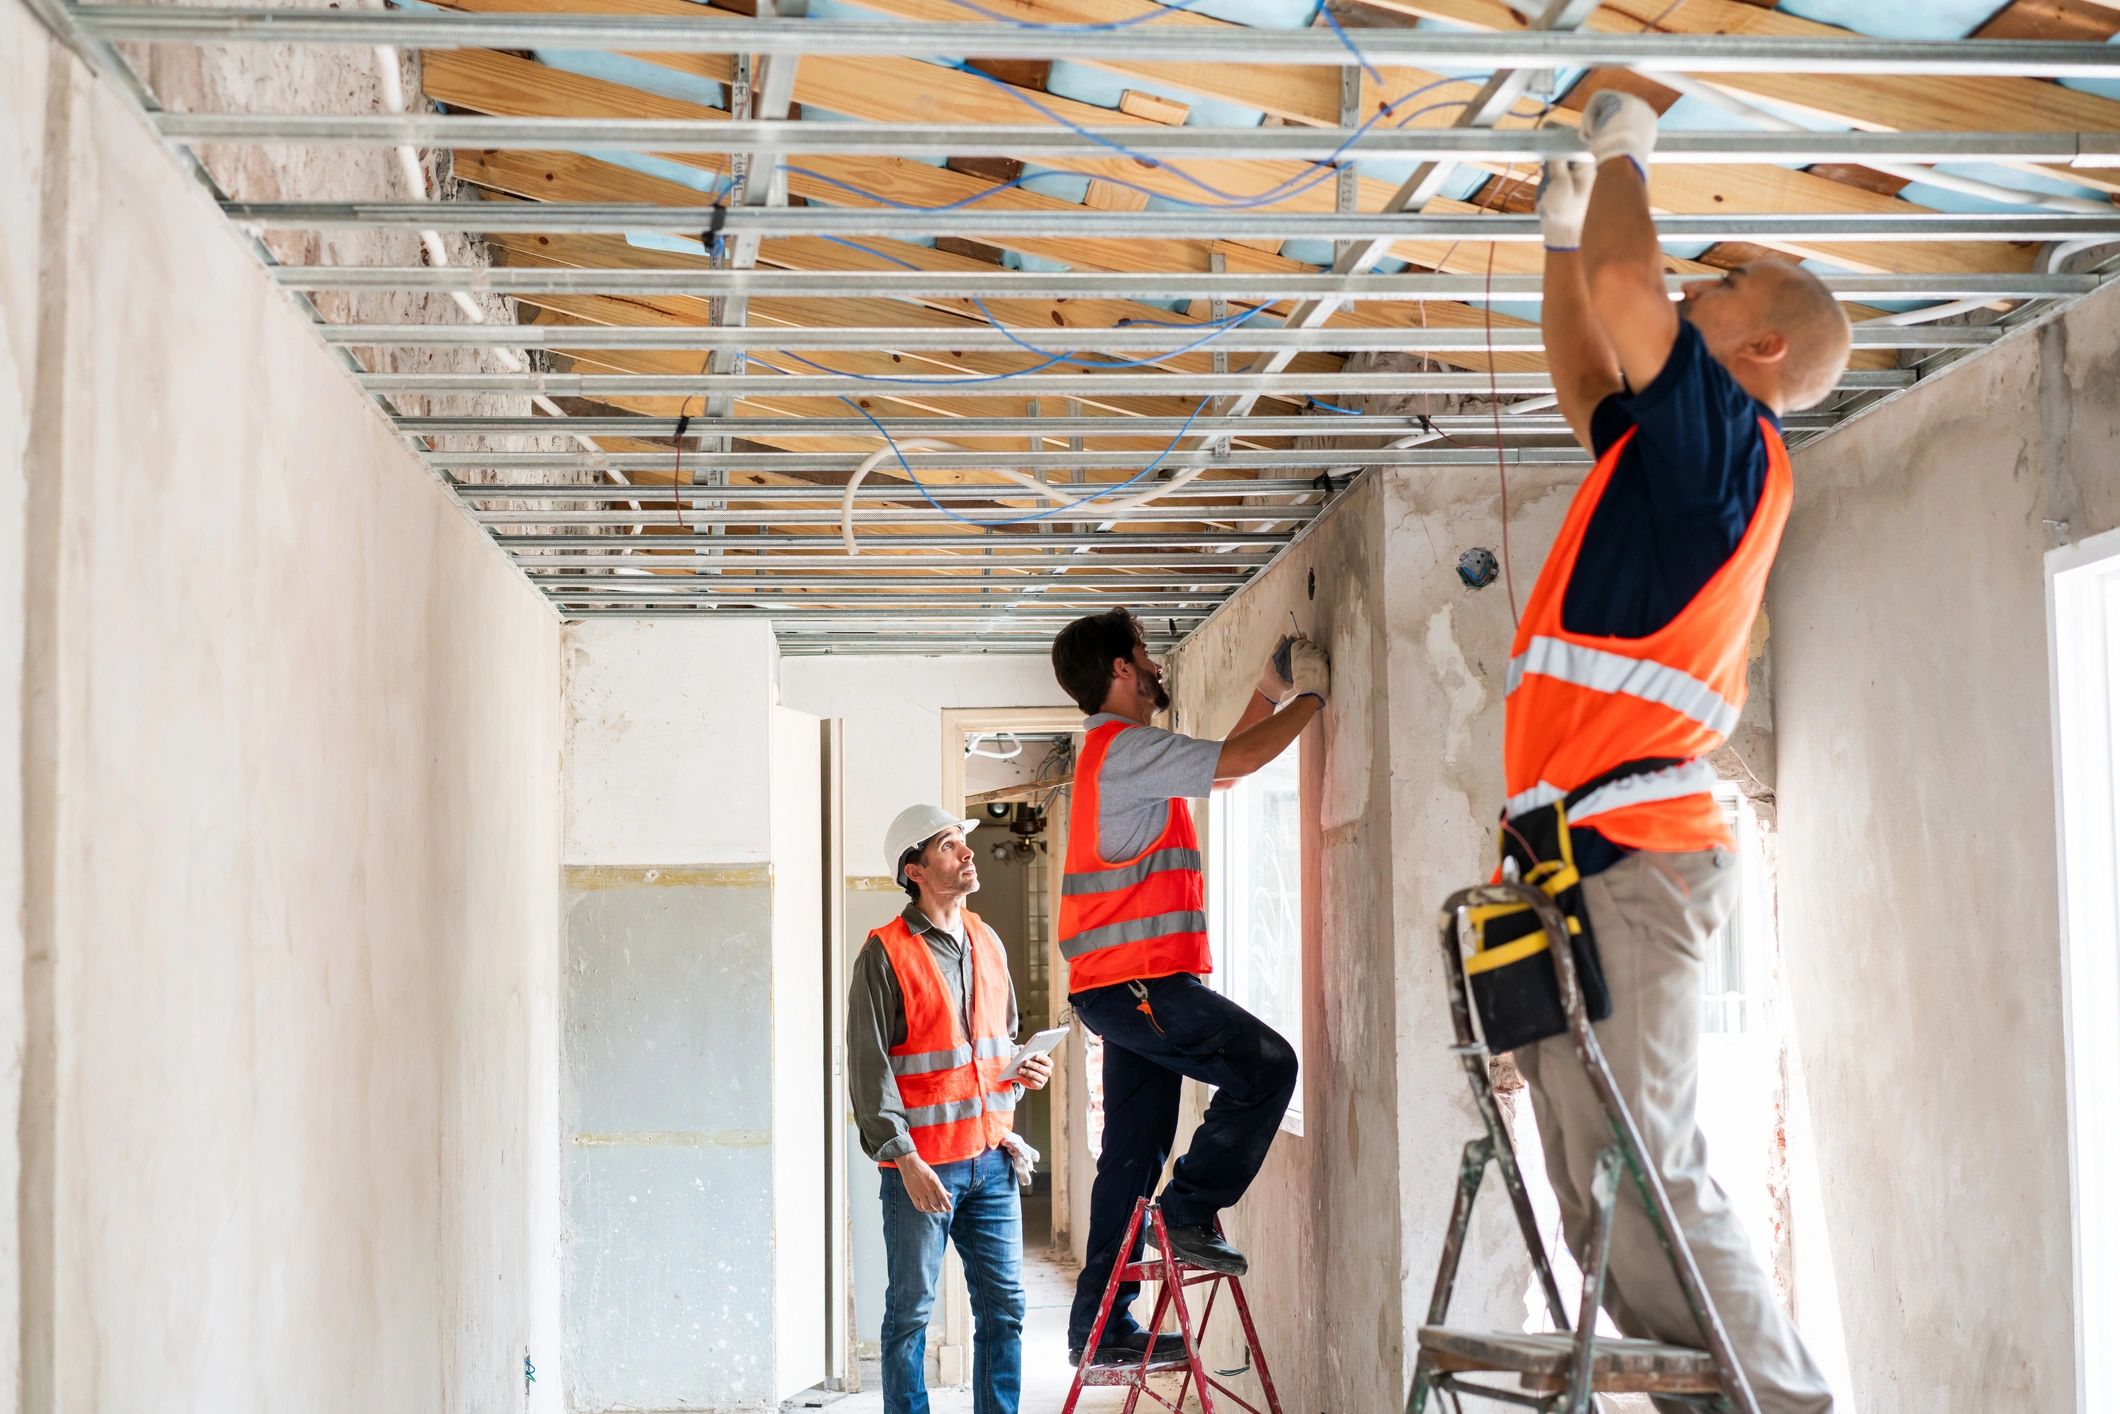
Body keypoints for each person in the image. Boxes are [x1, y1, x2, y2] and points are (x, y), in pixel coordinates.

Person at [1511, 90, 1851, 1414]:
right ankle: (1714, 1395)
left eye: (1723, 283)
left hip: (1630, 859)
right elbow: (1585, 359)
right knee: (1598, 1163)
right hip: (1582, 857)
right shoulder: (1666, 460)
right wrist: (1554, 222)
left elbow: (1622, 274)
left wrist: (1623, 147)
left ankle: (1780, 1403)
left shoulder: (1726, 442)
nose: (1691, 288)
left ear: (1758, 343)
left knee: (1651, 1152)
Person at [1047, 607, 1327, 1368]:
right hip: (1136, 985)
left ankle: (1099, 1333)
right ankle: (1190, 1209)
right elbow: (1237, 765)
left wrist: (1269, 695)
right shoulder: (1124, 747)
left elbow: (1222, 765)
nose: (1156, 667)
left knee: (1131, 1156)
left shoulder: (1120, 753)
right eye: (1144, 656)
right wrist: (1313, 700)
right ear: (1118, 669)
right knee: (1268, 1066)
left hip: (1124, 987)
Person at [846, 803, 1055, 1414]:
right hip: (922, 1171)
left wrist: (1024, 1072)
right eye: (947, 845)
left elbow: (998, 1045)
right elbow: (869, 1068)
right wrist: (904, 1160)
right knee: (910, 1314)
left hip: (991, 1161)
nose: (966, 852)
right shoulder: (884, 953)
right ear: (914, 869)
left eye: (962, 843)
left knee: (1006, 1307)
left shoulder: (987, 941)